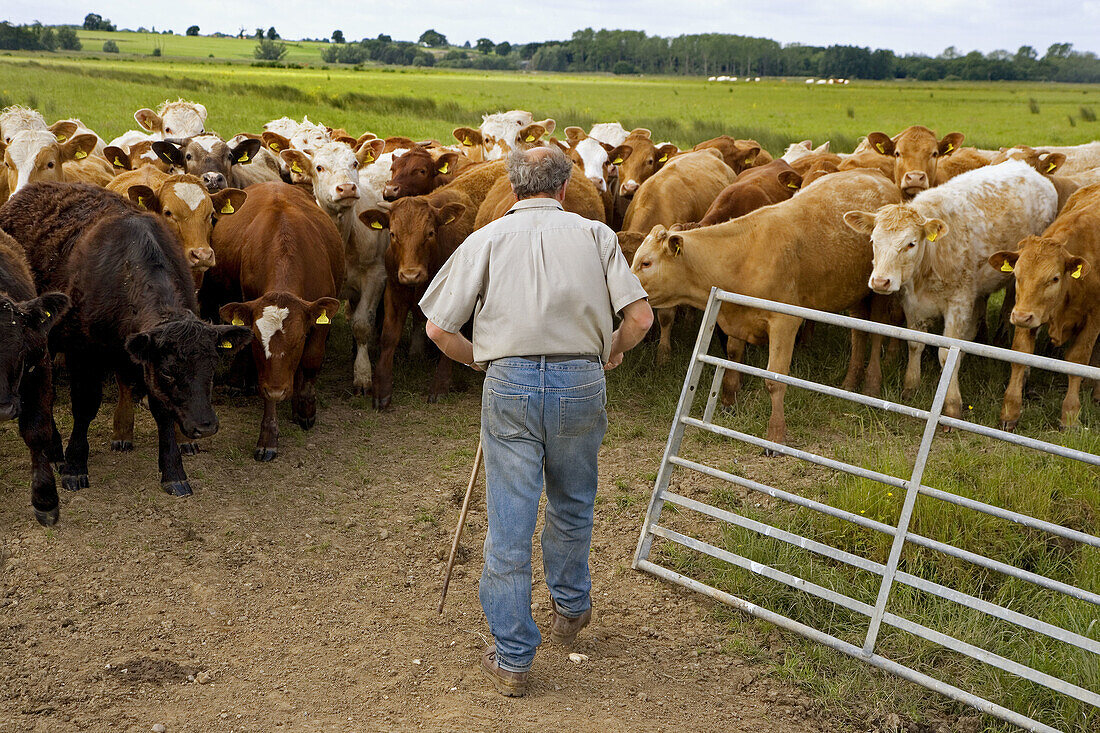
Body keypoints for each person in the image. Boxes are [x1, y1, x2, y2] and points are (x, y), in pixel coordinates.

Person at [420, 146, 653, 696]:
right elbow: (640, 317)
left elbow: (437, 329)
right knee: (572, 502)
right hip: (580, 382)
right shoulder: (596, 236)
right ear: (564, 190)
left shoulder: (486, 238)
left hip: (512, 385)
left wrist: (486, 359)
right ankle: (571, 608)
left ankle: (513, 660)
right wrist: (610, 350)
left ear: (514, 187)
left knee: (509, 523)